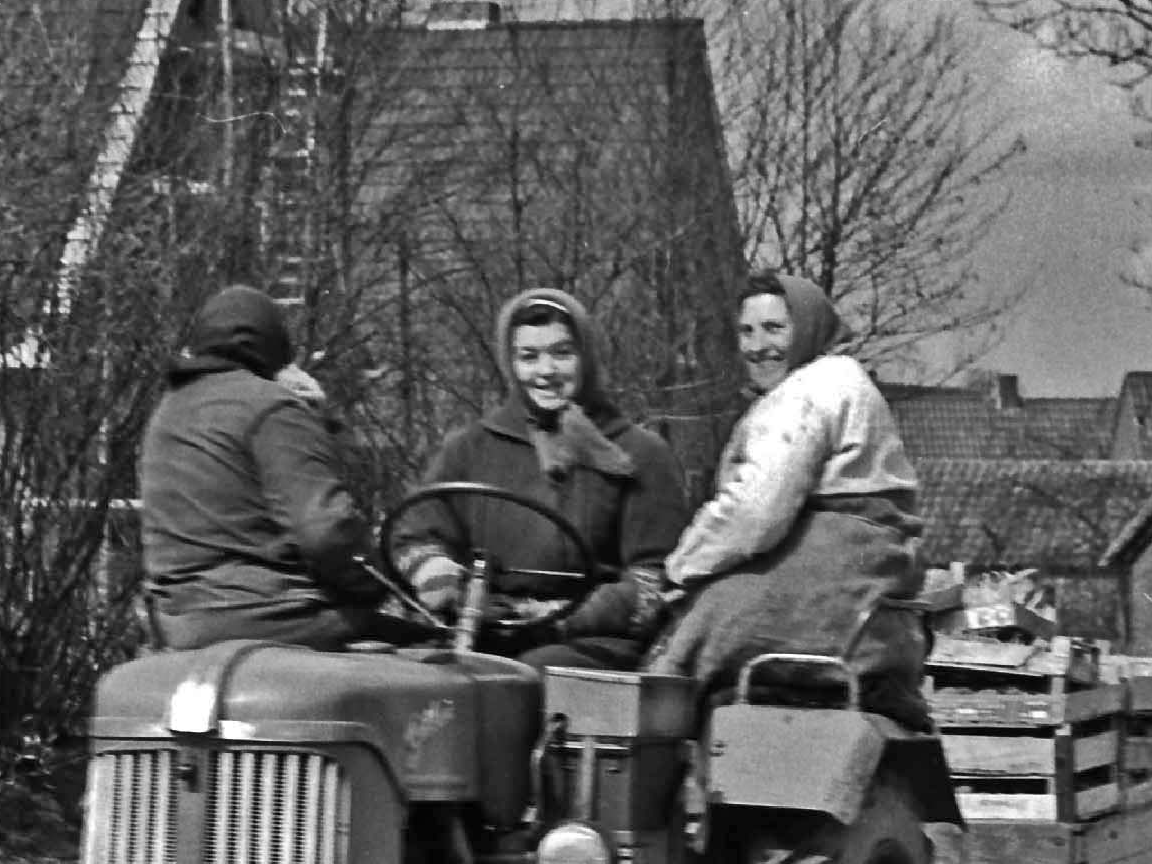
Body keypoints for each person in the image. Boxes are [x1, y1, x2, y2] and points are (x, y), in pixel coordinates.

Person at [639, 272, 927, 706]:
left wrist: (680, 569)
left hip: (834, 563)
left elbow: (756, 512)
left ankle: (657, 758)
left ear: (808, 327)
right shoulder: (842, 381)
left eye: (774, 329)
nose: (758, 346)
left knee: (684, 642)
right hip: (867, 571)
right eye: (747, 331)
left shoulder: (810, 390)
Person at [401, 286, 688, 667]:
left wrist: (560, 617)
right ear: (511, 364)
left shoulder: (639, 453)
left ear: (585, 357)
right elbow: (416, 530)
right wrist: (441, 577)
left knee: (533, 673)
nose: (546, 371)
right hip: (484, 624)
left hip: (588, 640)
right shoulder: (470, 447)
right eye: (529, 356)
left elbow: (652, 577)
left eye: (562, 353)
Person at [134, 284, 387, 651]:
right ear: (276, 350)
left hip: (176, 621)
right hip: (269, 614)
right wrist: (376, 580)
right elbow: (326, 532)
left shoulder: (167, 413)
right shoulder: (274, 407)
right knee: (427, 655)